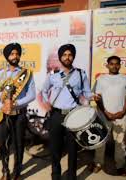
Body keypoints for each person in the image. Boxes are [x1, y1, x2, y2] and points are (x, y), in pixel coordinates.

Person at [41, 44, 93, 180]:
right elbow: (44, 90)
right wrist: (47, 103)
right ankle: (56, 175)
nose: (67, 57)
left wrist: (92, 97)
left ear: (73, 57)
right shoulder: (54, 75)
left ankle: (71, 176)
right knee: (55, 148)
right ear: (60, 57)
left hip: (73, 115)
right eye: (64, 55)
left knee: (72, 149)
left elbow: (87, 92)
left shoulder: (81, 74)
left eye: (70, 55)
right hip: (56, 115)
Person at [0, 42, 36, 180]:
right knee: (3, 144)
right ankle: (5, 171)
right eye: (12, 54)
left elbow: (32, 94)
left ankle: (17, 172)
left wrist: (15, 104)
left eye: (17, 53)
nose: (15, 56)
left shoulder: (26, 73)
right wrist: (1, 105)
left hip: (19, 115)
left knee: (19, 145)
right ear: (7, 56)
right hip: (3, 115)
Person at [90, 55, 126, 176]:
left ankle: (120, 166)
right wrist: (106, 113)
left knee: (120, 143)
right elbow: (97, 98)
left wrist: (123, 112)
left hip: (121, 117)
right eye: (112, 64)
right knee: (101, 141)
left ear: (120, 65)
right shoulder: (101, 79)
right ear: (107, 65)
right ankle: (98, 163)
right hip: (104, 116)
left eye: (116, 64)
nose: (114, 66)